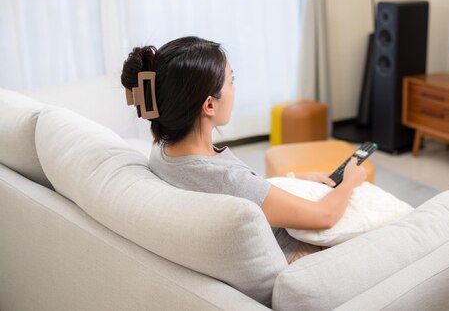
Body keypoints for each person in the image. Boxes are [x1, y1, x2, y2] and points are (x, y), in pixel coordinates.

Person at [121, 36, 367, 264]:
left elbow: (238, 192)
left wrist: (293, 180)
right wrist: (349, 182)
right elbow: (324, 216)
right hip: (297, 255)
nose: (235, 88)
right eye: (231, 80)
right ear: (209, 105)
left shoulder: (162, 152)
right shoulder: (229, 179)